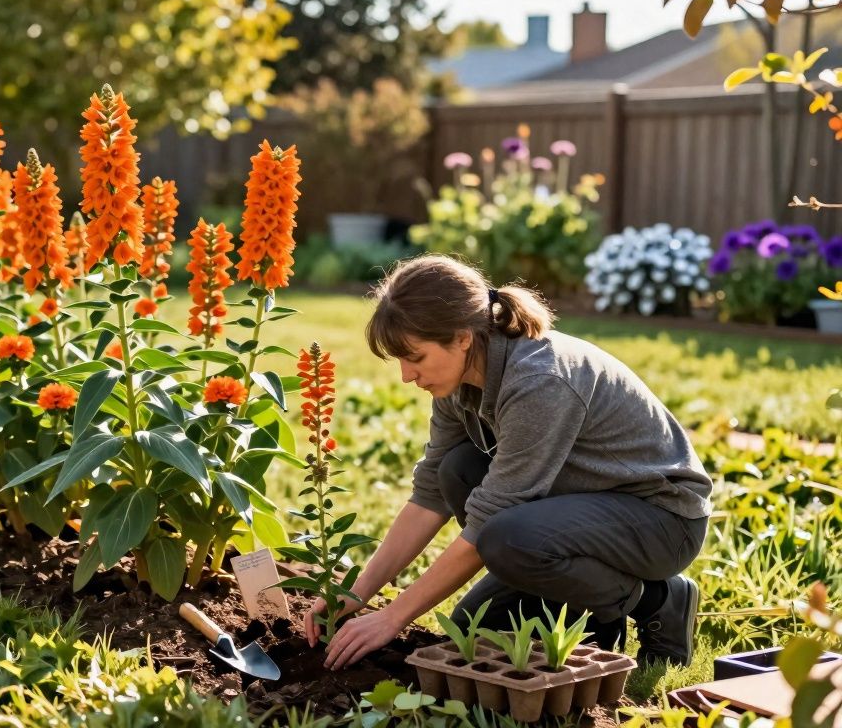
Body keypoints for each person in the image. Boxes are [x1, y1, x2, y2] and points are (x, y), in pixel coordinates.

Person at [304, 255, 711, 671]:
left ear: (462, 338)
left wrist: (392, 618)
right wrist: (355, 595)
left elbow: (489, 521)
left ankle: (659, 600)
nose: (407, 375)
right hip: (577, 504)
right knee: (458, 477)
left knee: (505, 539)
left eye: (416, 357)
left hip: (660, 519)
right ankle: (586, 607)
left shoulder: (539, 379)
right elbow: (429, 495)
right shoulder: (457, 383)